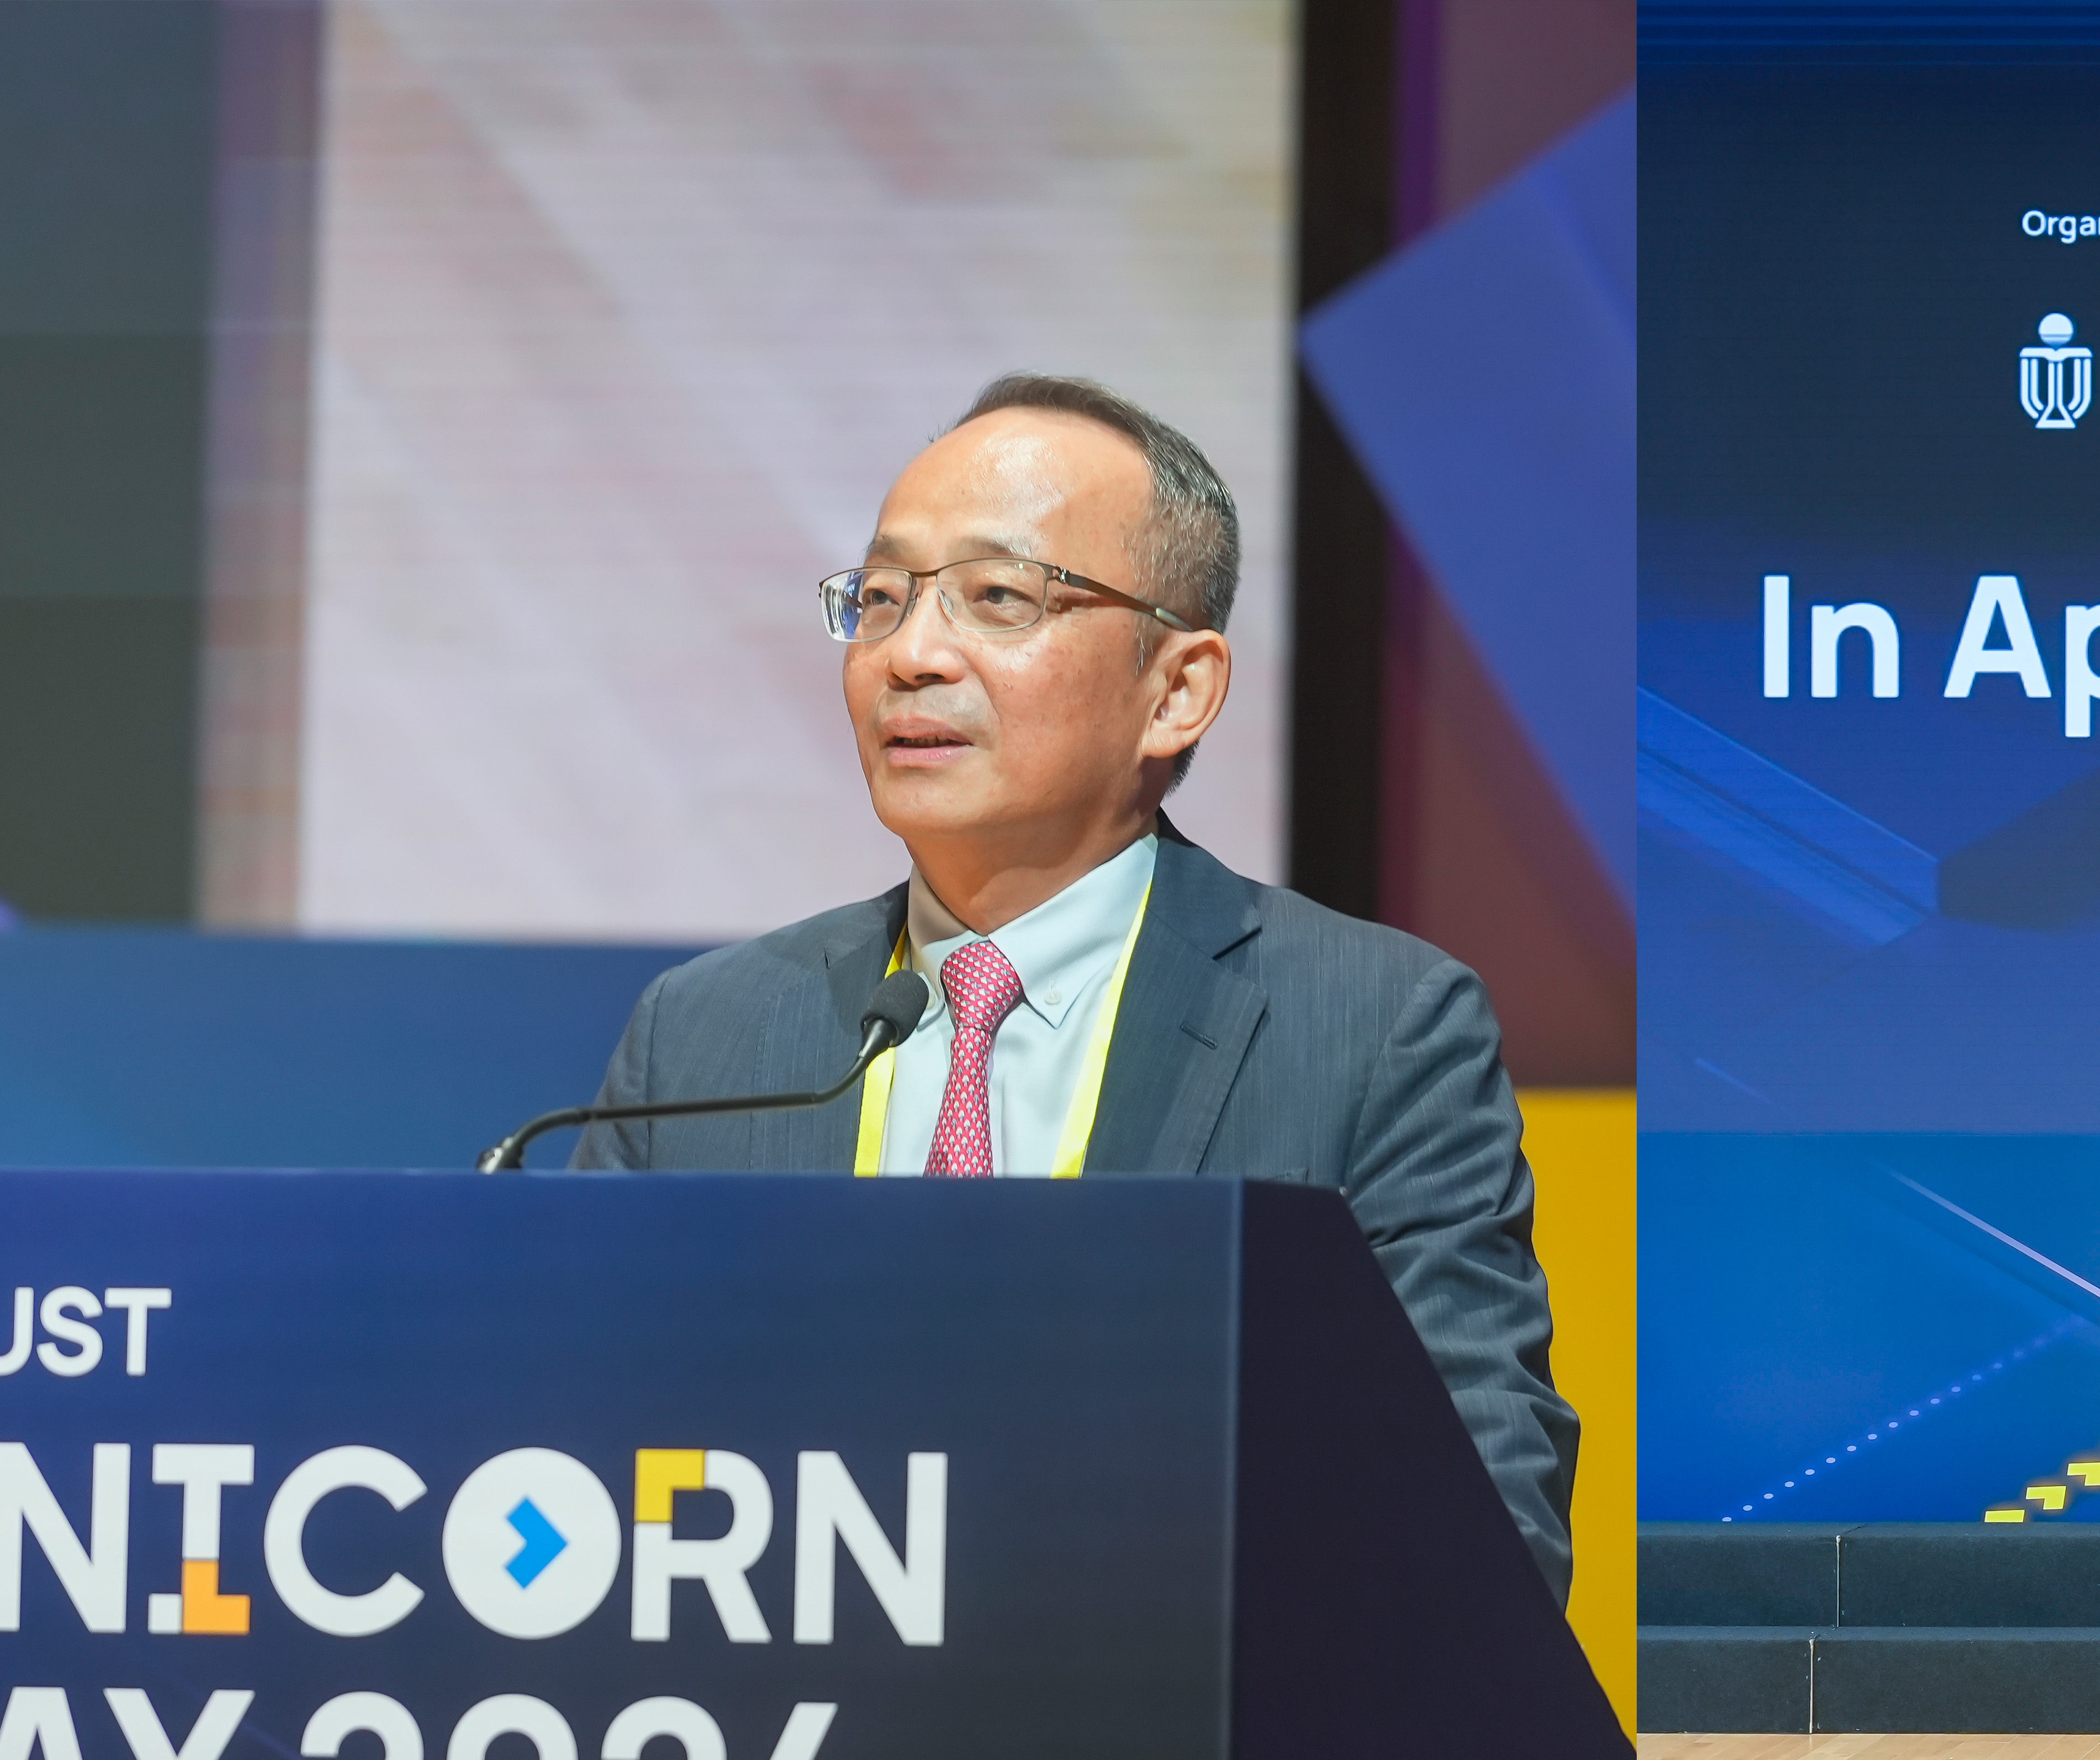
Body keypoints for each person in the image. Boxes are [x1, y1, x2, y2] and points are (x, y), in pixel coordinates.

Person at [570, 373, 1576, 1605]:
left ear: (1178, 691)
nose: (911, 655)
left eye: (997, 599)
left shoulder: (1372, 1032)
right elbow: (566, 1481)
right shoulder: (708, 1037)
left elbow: (1476, 1525)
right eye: (879, 601)